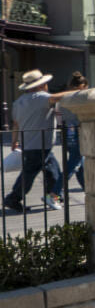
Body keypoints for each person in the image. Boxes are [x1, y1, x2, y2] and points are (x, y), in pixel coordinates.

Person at [5, 70, 69, 212]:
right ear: (42, 85)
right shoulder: (41, 97)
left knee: (53, 172)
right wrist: (74, 92)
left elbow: (15, 124)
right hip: (41, 144)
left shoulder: (18, 102)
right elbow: (56, 98)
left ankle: (54, 196)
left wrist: (14, 141)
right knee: (31, 175)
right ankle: (13, 198)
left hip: (29, 143)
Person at [58, 72, 88, 190]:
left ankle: (86, 187)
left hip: (67, 133)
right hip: (76, 133)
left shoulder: (64, 98)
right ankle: (55, 193)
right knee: (72, 165)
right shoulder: (80, 98)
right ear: (82, 86)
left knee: (78, 163)